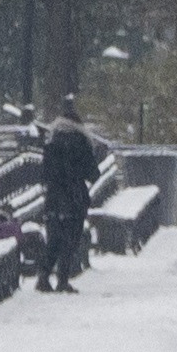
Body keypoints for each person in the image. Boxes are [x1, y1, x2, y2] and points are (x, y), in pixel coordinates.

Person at [35, 107, 104, 292]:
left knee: (54, 239)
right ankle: (62, 280)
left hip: (54, 198)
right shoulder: (82, 143)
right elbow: (93, 174)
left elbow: (44, 174)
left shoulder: (51, 144)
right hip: (74, 198)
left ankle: (43, 276)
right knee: (70, 239)